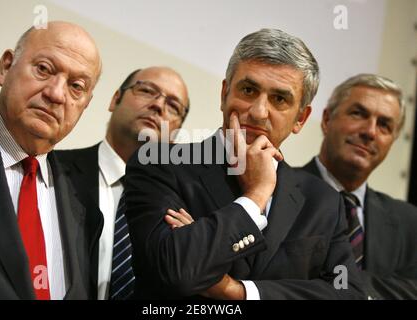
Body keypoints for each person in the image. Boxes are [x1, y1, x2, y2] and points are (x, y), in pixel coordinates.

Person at [124, 28, 365, 299]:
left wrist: (240, 292)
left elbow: (348, 292)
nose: (259, 111)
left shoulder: (322, 201)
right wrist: (255, 196)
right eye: (249, 90)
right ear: (224, 93)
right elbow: (178, 271)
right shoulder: (161, 165)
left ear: (300, 118)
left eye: (279, 99)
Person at [0, 21, 103, 299]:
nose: (55, 93)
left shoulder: (86, 209)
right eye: (44, 69)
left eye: (76, 86)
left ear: (86, 104)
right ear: (6, 67)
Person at [56, 66, 190, 299]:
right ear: (114, 99)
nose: (158, 105)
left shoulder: (184, 209)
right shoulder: (53, 170)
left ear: (175, 133)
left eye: (173, 106)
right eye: (147, 91)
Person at [301, 74, 417, 299]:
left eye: (384, 125)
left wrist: (339, 282)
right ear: (326, 120)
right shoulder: (275, 189)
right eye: (358, 114)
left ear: (392, 141)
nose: (370, 132)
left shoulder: (410, 222)